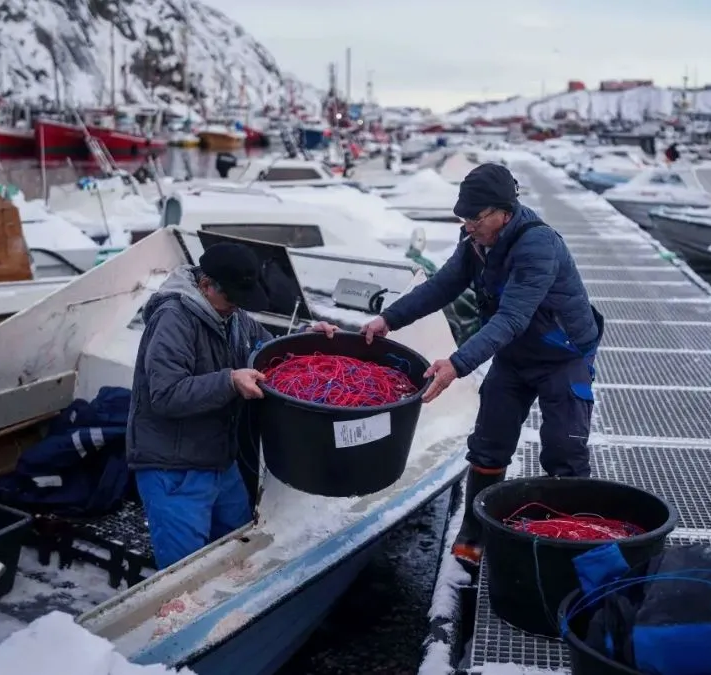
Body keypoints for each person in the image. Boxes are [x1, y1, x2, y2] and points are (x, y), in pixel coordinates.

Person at [359, 162, 604, 566]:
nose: (467, 224)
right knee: (489, 442)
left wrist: (457, 363)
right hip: (513, 354)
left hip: (563, 355)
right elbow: (443, 286)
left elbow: (512, 317)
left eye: (475, 217)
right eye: (463, 216)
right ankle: (475, 528)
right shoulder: (474, 240)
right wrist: (390, 319)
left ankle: (568, 544)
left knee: (564, 451)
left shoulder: (537, 245)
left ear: (503, 213)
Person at [126, 242, 336, 569]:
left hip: (220, 461)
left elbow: (266, 348)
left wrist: (307, 336)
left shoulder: (232, 314)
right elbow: (165, 395)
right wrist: (229, 381)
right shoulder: (173, 319)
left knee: (240, 546)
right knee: (184, 574)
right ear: (206, 285)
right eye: (232, 300)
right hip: (173, 469)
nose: (237, 308)